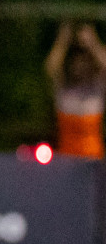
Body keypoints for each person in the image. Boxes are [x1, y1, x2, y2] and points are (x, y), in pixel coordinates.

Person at [44, 21, 106, 159]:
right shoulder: (64, 90)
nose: (79, 67)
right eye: (75, 63)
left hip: (94, 158)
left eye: (83, 63)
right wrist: (63, 41)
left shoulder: (96, 88)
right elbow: (51, 68)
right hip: (67, 158)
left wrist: (92, 42)